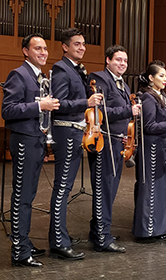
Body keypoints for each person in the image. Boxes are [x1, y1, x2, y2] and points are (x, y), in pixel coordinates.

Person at [2, 33, 60, 266]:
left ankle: (23, 243)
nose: (43, 53)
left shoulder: (40, 76)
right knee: (22, 198)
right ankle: (19, 252)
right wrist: (40, 105)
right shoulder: (18, 74)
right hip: (24, 141)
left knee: (30, 195)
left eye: (45, 49)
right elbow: (8, 110)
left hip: (36, 140)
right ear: (26, 51)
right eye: (38, 49)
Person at [49, 28, 102, 260]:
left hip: (75, 131)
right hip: (65, 131)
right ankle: (58, 242)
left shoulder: (76, 69)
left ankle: (62, 237)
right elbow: (59, 103)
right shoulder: (61, 69)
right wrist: (86, 101)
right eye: (77, 44)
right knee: (62, 188)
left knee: (65, 187)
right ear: (65, 46)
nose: (81, 47)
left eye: (83, 44)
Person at [86, 45, 140, 252]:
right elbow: (101, 109)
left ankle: (99, 231)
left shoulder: (124, 85)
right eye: (118, 59)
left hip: (119, 142)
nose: (122, 64)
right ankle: (102, 237)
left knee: (110, 189)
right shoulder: (99, 78)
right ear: (107, 60)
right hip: (105, 142)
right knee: (104, 190)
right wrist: (129, 109)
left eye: (125, 61)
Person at [132, 60, 166, 240]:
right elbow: (148, 125)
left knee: (161, 189)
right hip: (151, 148)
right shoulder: (147, 97)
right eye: (161, 76)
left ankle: (160, 229)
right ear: (151, 78)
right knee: (150, 189)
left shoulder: (162, 96)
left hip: (162, 147)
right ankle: (147, 231)